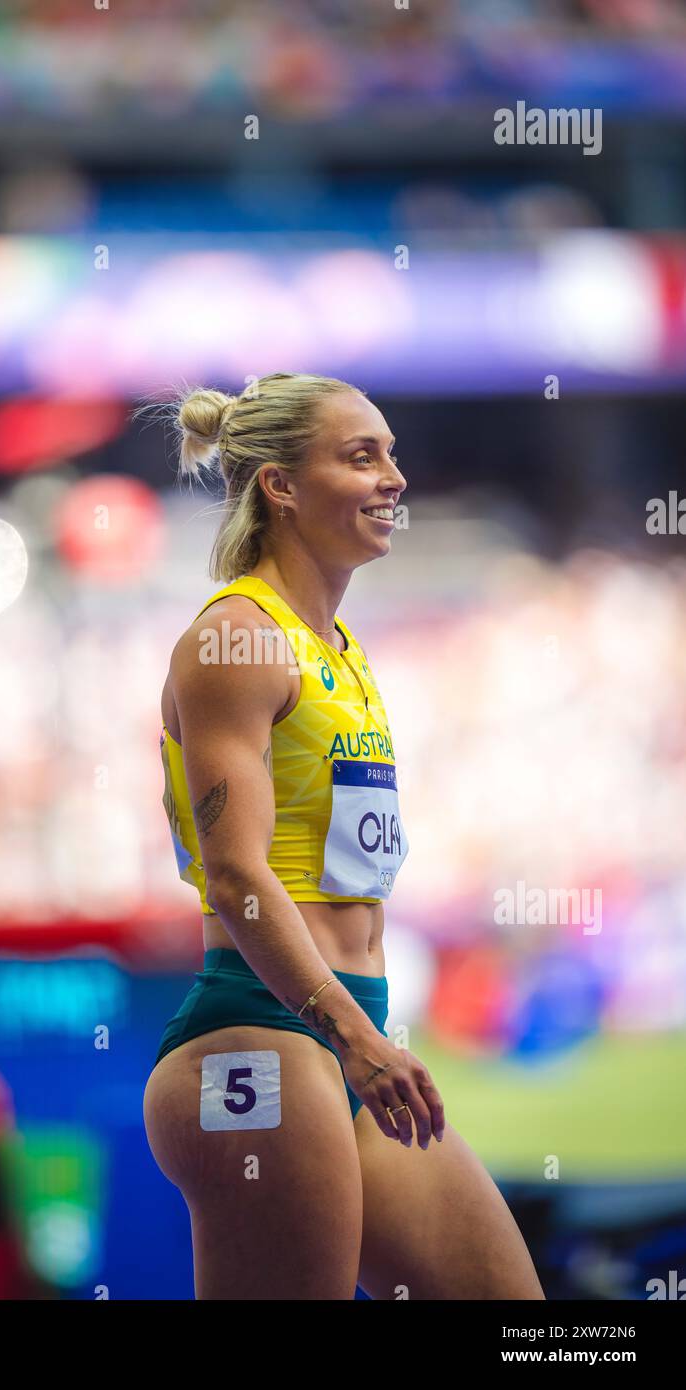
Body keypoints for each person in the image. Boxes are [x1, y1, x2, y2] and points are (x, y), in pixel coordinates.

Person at [142, 371, 545, 1300]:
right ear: (280, 485)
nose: (394, 477)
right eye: (362, 456)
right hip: (255, 1034)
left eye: (393, 454)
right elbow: (235, 872)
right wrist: (354, 1038)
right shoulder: (236, 639)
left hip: (349, 1038)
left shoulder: (341, 649)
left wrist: (360, 1041)